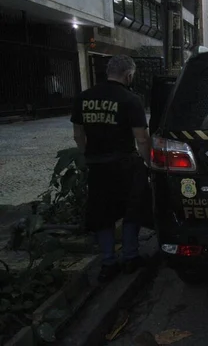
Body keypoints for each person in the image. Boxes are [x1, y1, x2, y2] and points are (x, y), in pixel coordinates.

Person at [71, 55, 152, 282]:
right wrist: (149, 163)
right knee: (132, 209)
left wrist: (87, 158)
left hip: (97, 165)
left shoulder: (83, 98)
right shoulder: (130, 99)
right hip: (125, 164)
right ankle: (130, 257)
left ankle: (108, 262)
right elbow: (142, 139)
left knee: (101, 213)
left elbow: (78, 135)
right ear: (128, 75)